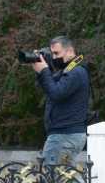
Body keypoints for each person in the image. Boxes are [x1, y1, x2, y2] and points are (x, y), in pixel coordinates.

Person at [33, 36, 90, 166]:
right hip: (65, 133)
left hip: (65, 134)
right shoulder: (67, 71)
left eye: (57, 53)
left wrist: (44, 71)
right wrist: (41, 72)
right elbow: (50, 88)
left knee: (52, 178)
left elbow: (56, 93)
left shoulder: (76, 72)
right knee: (64, 178)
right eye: (52, 53)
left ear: (69, 51)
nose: (53, 58)